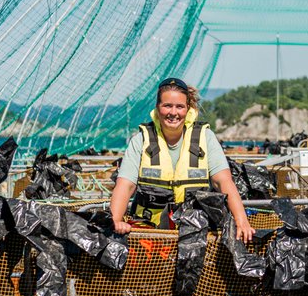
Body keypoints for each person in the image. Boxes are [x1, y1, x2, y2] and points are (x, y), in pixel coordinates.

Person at [109, 77, 255, 242]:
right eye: (167, 106)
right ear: (157, 109)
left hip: (196, 232)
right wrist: (115, 220)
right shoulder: (141, 140)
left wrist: (241, 220)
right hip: (149, 234)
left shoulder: (205, 138)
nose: (173, 113)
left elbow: (223, 182)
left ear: (187, 109)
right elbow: (125, 185)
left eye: (179, 106)